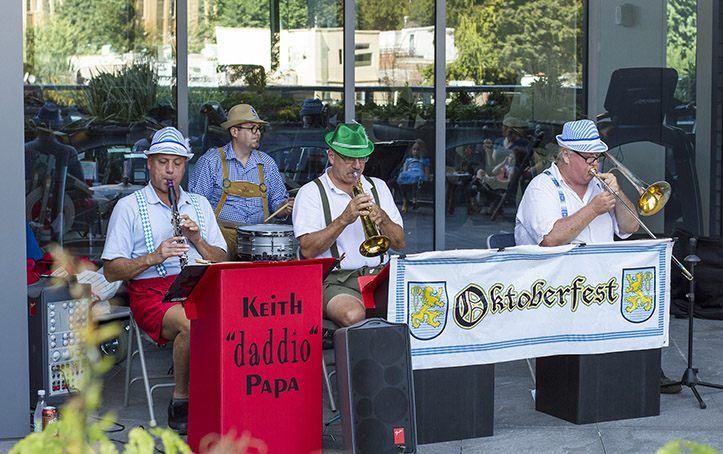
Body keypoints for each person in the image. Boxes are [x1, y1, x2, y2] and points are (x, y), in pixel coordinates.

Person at [514, 118, 681, 394]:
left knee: (644, 292)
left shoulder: (599, 188)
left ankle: (641, 368)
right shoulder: (541, 188)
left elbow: (630, 228)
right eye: (588, 157)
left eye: (598, 157)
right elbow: (551, 239)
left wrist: (618, 194)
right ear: (566, 155)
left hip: (600, 282)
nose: (595, 164)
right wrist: (593, 209)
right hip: (553, 286)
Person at [102, 127, 227, 433]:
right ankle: (181, 398)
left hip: (198, 287)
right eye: (162, 162)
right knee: (191, 321)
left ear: (186, 165)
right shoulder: (129, 207)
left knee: (239, 315)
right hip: (152, 295)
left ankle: (228, 394)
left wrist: (198, 240)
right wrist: (154, 257)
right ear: (149, 164)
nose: (170, 170)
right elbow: (110, 271)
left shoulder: (199, 204)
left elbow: (221, 259)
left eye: (177, 163)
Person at [293, 123, 405, 327]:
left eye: (362, 158)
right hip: (335, 281)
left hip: (377, 276)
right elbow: (308, 250)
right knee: (353, 315)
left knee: (416, 306)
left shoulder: (378, 187)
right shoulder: (311, 192)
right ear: (332, 156)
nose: (357, 165)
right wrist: (344, 219)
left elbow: (400, 243)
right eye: (348, 158)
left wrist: (384, 220)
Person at [189, 103, 294, 257]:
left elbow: (277, 204)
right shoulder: (211, 161)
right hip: (221, 237)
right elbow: (195, 206)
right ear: (234, 131)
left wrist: (283, 207)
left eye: (259, 129)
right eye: (252, 128)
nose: (257, 133)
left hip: (261, 241)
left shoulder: (267, 163)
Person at [396, 139, 431, 213]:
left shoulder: (424, 160)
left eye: (418, 150)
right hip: (408, 174)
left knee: (416, 179)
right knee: (401, 177)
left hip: (418, 174)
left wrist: (426, 176)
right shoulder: (408, 160)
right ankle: (405, 199)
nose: (415, 152)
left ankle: (415, 199)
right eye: (414, 149)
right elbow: (404, 170)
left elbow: (427, 172)